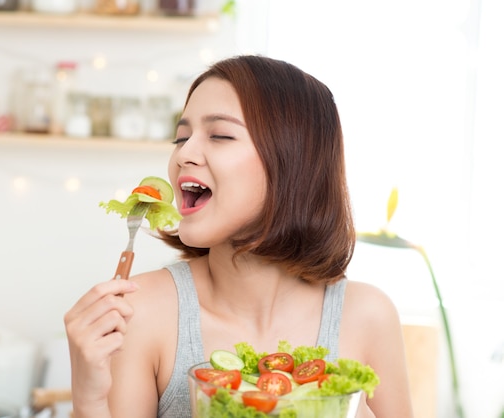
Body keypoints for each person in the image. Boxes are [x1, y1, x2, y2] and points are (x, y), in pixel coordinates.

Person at [64, 55, 414, 418]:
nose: (184, 153)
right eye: (181, 137)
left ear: (293, 162)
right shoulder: (141, 311)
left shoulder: (367, 316)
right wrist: (89, 401)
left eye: (219, 135)